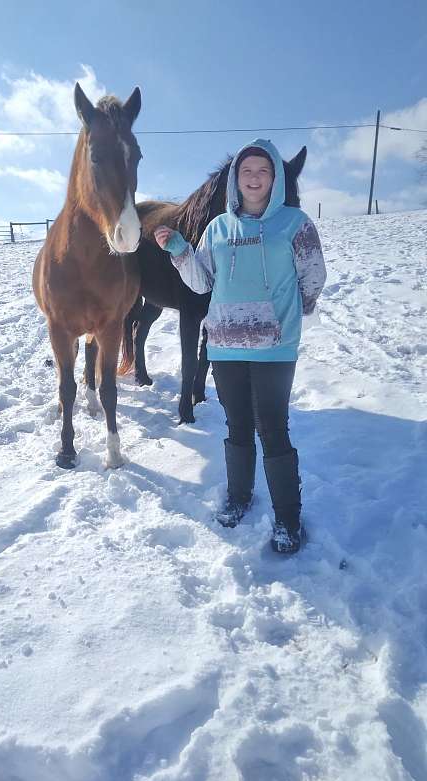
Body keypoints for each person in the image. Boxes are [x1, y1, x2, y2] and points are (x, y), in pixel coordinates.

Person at [154, 138, 326, 554]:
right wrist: (178, 250)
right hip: (225, 349)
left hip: (274, 350)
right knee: (236, 427)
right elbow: (202, 282)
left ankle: (287, 518)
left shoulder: (295, 223)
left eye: (263, 171)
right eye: (246, 171)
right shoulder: (218, 229)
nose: (254, 178)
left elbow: (314, 277)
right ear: (236, 180)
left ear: (275, 179)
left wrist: (286, 315)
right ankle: (238, 495)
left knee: (273, 430)